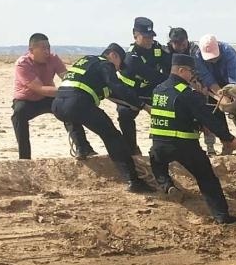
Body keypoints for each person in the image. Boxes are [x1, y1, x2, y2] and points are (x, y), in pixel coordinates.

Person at [149, 53, 236, 224]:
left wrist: (197, 124)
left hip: (159, 144)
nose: (193, 76)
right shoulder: (187, 93)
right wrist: (228, 138)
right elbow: (209, 119)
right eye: (191, 72)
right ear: (181, 70)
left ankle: (167, 185)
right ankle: (221, 216)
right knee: (207, 178)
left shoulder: (158, 89)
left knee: (156, 163)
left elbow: (176, 114)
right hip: (184, 146)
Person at [51, 43, 154, 194]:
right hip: (77, 103)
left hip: (57, 105)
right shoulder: (105, 64)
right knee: (113, 137)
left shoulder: (87, 61)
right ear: (113, 55)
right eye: (119, 65)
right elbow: (117, 87)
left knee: (71, 116)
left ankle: (82, 148)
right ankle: (133, 181)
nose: (117, 70)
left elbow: (111, 94)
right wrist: (143, 106)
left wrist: (134, 104)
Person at [11, 32, 95, 160]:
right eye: (43, 48)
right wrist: (68, 91)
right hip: (27, 100)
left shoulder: (53, 58)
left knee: (68, 107)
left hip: (48, 97)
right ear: (31, 50)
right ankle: (24, 159)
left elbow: (67, 78)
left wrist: (79, 86)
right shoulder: (22, 64)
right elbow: (39, 89)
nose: (47, 51)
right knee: (18, 114)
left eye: (48, 48)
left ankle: (83, 147)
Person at [116, 17, 172, 156]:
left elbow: (169, 63)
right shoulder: (132, 57)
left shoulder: (156, 48)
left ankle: (161, 147)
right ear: (135, 35)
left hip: (150, 89)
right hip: (130, 91)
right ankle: (132, 149)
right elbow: (155, 76)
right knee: (125, 114)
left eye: (151, 36)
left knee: (164, 110)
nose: (149, 40)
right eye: (145, 37)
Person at [195, 34, 236, 149]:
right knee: (217, 112)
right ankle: (227, 143)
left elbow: (234, 80)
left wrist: (229, 99)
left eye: (214, 58)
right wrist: (220, 97)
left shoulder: (228, 52)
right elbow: (208, 78)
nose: (212, 60)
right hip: (216, 83)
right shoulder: (198, 57)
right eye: (209, 59)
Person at [166, 27, 218, 155]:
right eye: (176, 44)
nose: (180, 47)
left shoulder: (195, 51)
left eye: (182, 43)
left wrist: (201, 85)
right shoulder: (166, 52)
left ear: (187, 40)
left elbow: (202, 70)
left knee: (204, 114)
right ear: (171, 43)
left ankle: (210, 146)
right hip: (176, 88)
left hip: (196, 86)